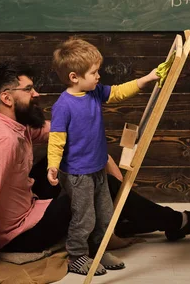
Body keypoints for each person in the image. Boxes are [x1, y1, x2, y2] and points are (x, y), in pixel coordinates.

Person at [0, 61, 190, 284]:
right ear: (7, 98)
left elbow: (58, 133)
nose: (36, 94)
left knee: (76, 159)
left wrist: (102, 155)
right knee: (101, 186)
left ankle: (128, 221)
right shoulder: (1, 143)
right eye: (28, 89)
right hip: (18, 236)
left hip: (27, 204)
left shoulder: (12, 125)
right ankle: (176, 223)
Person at [46, 38, 160, 275]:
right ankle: (77, 256)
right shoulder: (63, 106)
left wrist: (147, 79)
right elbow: (56, 140)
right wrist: (53, 166)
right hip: (78, 174)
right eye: (94, 72)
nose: (99, 76)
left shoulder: (95, 92)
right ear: (74, 77)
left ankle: (98, 249)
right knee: (84, 217)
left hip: (97, 168)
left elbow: (118, 92)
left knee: (106, 214)